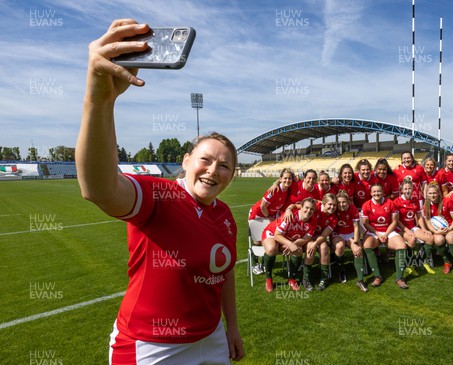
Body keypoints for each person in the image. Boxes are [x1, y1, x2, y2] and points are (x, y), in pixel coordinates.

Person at [76, 19, 242, 363]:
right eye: (206, 160)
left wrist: (232, 327)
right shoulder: (160, 196)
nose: (213, 170)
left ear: (232, 175)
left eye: (224, 166)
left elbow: (223, 276)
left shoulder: (224, 215)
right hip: (151, 346)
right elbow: (99, 188)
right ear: (185, 160)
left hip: (211, 338)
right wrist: (100, 98)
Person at [261, 198, 317, 292]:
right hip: (272, 233)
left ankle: (292, 278)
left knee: (298, 251)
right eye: (306, 208)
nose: (309, 211)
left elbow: (306, 238)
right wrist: (289, 244)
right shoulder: (291, 216)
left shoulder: (313, 220)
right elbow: (277, 235)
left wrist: (293, 244)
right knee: (272, 249)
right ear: (301, 207)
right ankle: (268, 278)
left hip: (288, 238)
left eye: (312, 209)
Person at [361, 184, 410, 289]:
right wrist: (378, 234)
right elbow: (366, 224)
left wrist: (386, 234)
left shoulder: (390, 203)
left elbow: (395, 221)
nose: (376, 193)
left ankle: (400, 278)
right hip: (373, 232)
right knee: (367, 245)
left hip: (389, 231)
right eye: (374, 191)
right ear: (370, 193)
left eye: (379, 191)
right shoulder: (366, 205)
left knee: (402, 246)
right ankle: (377, 276)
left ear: (383, 192)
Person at [247, 169, 294, 274]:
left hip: (270, 215)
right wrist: (268, 217)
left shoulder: (287, 190)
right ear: (281, 179)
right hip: (258, 214)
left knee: (268, 238)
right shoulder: (274, 190)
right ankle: (255, 264)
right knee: (258, 240)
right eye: (285, 178)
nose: (287, 180)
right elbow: (263, 206)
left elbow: (296, 179)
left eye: (289, 178)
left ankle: (263, 263)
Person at [422, 183, 453, 278]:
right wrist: (436, 232)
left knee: (450, 237)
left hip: (452, 227)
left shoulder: (447, 201)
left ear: (439, 193)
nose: (433, 195)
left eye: (435, 193)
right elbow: (428, 221)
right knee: (438, 240)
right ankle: (447, 262)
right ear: (427, 194)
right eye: (430, 193)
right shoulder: (426, 205)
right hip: (438, 230)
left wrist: (449, 229)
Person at [394, 179, 435, 275]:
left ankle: (421, 262)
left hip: (412, 226)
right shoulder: (397, 201)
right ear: (401, 190)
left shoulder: (415, 200)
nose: (408, 190)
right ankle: (408, 264)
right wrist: (407, 231)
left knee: (430, 238)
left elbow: (419, 216)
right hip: (400, 228)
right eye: (405, 189)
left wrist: (424, 229)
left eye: (410, 188)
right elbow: (396, 220)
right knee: (412, 239)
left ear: (412, 189)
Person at [299, 193, 338, 291]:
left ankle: (324, 278)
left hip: (319, 237)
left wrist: (315, 243)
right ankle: (306, 278)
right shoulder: (315, 207)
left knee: (324, 247)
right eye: (330, 204)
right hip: (307, 235)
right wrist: (288, 210)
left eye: (334, 205)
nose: (332, 207)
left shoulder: (334, 218)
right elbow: (297, 206)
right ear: (323, 203)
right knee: (309, 247)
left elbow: (324, 235)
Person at [331, 191, 366, 291]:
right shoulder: (334, 209)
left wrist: (355, 241)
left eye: (344, 202)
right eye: (339, 203)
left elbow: (356, 227)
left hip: (351, 233)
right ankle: (341, 269)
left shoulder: (353, 209)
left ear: (348, 202)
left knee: (357, 249)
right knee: (339, 246)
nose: (341, 204)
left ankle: (360, 279)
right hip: (338, 234)